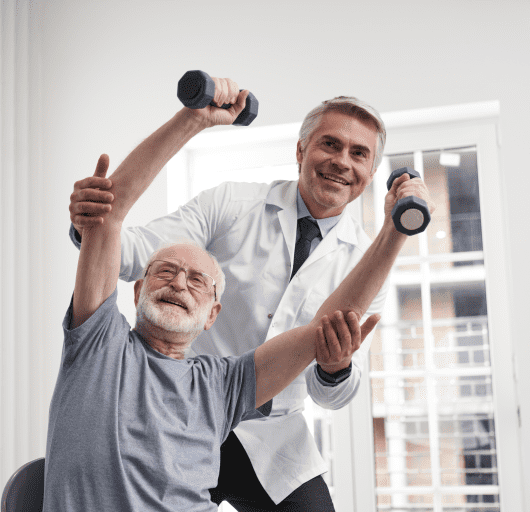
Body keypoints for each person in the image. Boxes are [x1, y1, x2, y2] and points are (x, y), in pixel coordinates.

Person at [67, 76, 435, 510]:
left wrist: (335, 368)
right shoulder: (231, 204)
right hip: (186, 407)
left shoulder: (368, 265)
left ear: (371, 173)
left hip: (273, 432)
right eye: (330, 145)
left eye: (358, 154)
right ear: (300, 151)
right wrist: (93, 225)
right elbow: (133, 253)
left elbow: (330, 390)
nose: (341, 161)